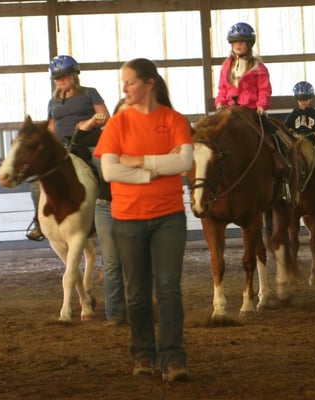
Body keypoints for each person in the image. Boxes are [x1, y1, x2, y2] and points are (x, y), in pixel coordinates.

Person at [94, 58, 192, 382]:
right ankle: (143, 355)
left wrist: (139, 162)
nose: (124, 88)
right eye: (124, 83)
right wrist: (154, 172)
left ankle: (173, 358)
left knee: (168, 289)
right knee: (136, 292)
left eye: (130, 81)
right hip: (127, 217)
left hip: (169, 217)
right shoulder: (117, 124)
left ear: (149, 83)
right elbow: (110, 171)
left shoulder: (174, 119)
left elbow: (185, 161)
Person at [26, 54, 110, 241]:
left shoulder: (90, 93)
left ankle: (107, 212)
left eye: (64, 75)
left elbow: (105, 116)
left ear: (74, 75)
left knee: (102, 168)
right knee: (36, 182)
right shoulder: (53, 102)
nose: (61, 80)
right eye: (57, 77)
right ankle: (39, 222)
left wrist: (89, 123)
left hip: (86, 142)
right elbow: (51, 127)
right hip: (61, 148)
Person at [215, 21, 292, 202]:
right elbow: (221, 88)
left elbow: (264, 89)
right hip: (228, 109)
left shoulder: (258, 67)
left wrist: (261, 105)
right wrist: (219, 102)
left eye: (242, 42)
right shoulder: (225, 66)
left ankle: (282, 164)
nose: (238, 45)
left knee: (272, 134)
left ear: (249, 44)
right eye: (235, 42)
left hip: (250, 110)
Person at [75, 99, 128, 326]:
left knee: (138, 261)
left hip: (133, 205)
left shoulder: (145, 139)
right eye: (121, 115)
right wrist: (91, 122)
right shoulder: (104, 137)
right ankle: (115, 315)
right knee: (112, 263)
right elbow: (77, 142)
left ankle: (139, 307)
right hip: (105, 206)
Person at [284, 81, 315, 158]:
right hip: (296, 143)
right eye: (300, 99)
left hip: (313, 143)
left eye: (306, 99)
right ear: (296, 99)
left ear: (310, 98)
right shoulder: (293, 115)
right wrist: (289, 132)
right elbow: (284, 129)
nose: (303, 102)